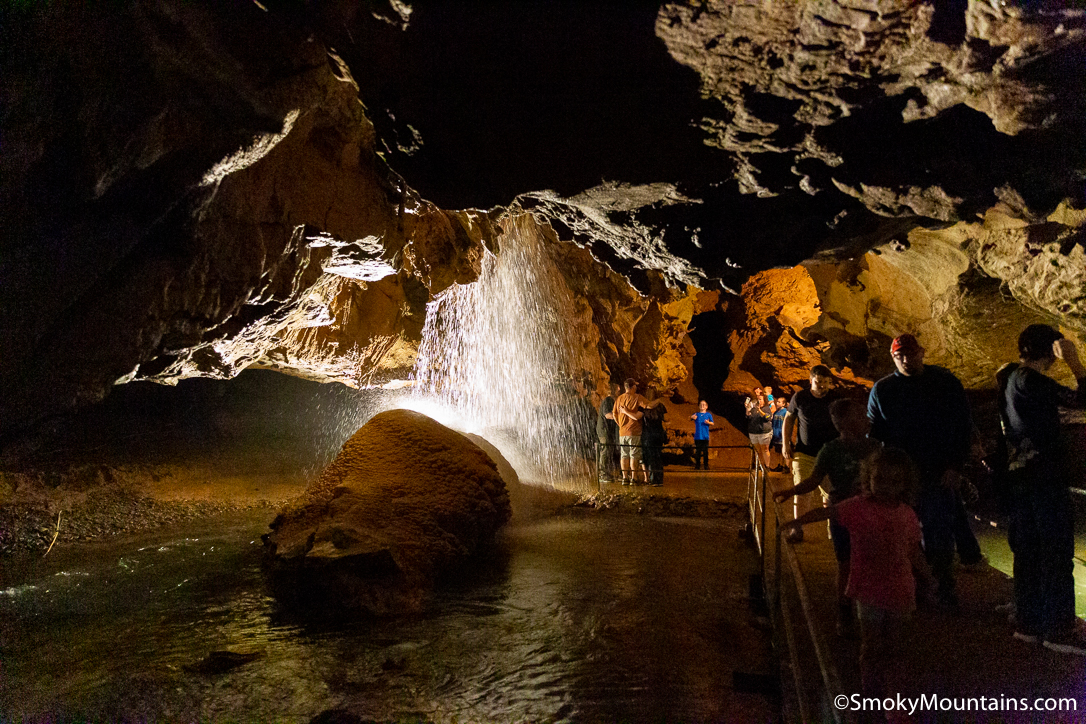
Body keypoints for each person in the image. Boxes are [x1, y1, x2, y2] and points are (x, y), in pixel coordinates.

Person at [782, 448, 936, 700]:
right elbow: (828, 512)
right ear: (869, 479)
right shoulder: (858, 507)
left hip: (900, 588)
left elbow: (913, 550)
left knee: (896, 647)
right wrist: (798, 521)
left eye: (894, 482)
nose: (886, 487)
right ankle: (871, 691)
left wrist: (928, 577)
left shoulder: (907, 514)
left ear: (904, 484)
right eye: (880, 480)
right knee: (871, 645)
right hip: (869, 589)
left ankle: (893, 693)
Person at [867, 334, 975, 607]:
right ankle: (913, 588)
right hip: (899, 476)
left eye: (910, 353)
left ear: (922, 352)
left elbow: (963, 427)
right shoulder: (883, 390)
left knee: (940, 531)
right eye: (900, 355)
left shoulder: (945, 383)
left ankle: (942, 588)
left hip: (938, 470)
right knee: (903, 533)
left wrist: (955, 467)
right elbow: (875, 434)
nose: (906, 359)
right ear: (893, 357)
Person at [1000, 324, 1086, 655]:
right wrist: (1075, 362)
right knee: (1055, 551)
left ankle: (1030, 623)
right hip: (1044, 477)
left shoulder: (1012, 380)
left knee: (1030, 550)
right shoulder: (1032, 380)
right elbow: (1081, 397)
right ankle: (1060, 629)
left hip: (1022, 475)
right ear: (1051, 349)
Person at [775, 398, 882, 636]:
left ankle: (873, 611)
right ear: (842, 422)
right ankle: (845, 612)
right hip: (843, 512)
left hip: (872, 512)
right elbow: (813, 481)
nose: (866, 418)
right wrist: (789, 491)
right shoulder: (831, 450)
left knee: (870, 561)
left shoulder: (876, 447)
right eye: (860, 414)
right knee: (845, 564)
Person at [782, 365, 840, 541]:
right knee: (801, 491)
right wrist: (786, 444)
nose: (822, 386)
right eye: (818, 382)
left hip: (830, 453)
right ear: (811, 381)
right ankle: (797, 529)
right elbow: (789, 418)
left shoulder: (836, 399)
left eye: (825, 382)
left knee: (832, 494)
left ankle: (833, 530)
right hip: (805, 453)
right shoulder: (800, 397)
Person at [614, 379, 648, 485]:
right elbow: (648, 405)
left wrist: (620, 424)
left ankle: (625, 478)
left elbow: (615, 414)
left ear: (625, 387)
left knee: (624, 455)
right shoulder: (637, 397)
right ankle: (634, 478)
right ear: (633, 387)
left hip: (622, 432)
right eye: (635, 386)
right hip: (634, 432)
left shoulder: (619, 398)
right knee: (634, 455)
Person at [641, 386, 667, 487]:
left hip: (648, 434)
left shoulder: (644, 407)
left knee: (651, 457)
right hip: (658, 433)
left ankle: (653, 479)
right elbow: (666, 420)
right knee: (658, 456)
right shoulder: (660, 406)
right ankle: (659, 479)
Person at [596, 382, 621, 483]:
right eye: (618, 389)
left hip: (608, 430)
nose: (620, 391)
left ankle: (607, 472)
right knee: (605, 450)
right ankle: (602, 473)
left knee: (609, 450)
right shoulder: (608, 400)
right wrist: (622, 416)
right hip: (604, 430)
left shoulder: (612, 401)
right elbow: (608, 415)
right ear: (615, 390)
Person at [746, 387, 774, 473]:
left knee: (765, 449)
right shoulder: (753, 409)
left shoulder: (766, 408)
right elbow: (748, 417)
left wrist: (760, 411)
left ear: (764, 400)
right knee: (757, 450)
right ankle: (760, 466)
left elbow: (768, 418)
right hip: (754, 433)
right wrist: (747, 409)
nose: (759, 401)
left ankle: (767, 466)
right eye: (758, 400)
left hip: (764, 433)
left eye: (761, 399)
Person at [690, 400, 715, 470]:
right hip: (698, 436)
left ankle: (706, 465)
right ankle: (697, 465)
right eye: (701, 404)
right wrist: (692, 417)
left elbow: (712, 423)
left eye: (704, 405)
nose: (702, 406)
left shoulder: (708, 415)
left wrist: (708, 422)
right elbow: (691, 418)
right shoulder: (696, 414)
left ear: (706, 407)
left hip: (705, 436)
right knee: (698, 452)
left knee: (705, 452)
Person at [770, 397, 788, 470]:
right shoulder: (776, 412)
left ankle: (786, 466)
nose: (777, 403)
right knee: (778, 451)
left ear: (784, 404)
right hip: (776, 434)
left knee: (784, 450)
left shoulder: (785, 412)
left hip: (782, 434)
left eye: (780, 402)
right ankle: (779, 464)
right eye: (777, 402)